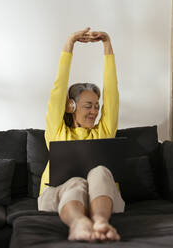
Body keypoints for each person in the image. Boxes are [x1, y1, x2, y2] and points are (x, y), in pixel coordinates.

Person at [37, 27, 124, 242]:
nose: (94, 111)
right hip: (59, 194)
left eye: (96, 106)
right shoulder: (57, 131)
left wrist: (107, 46)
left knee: (101, 172)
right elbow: (58, 91)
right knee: (75, 182)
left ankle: (101, 222)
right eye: (88, 106)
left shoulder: (102, 132)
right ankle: (79, 223)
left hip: (100, 196)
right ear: (71, 106)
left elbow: (112, 97)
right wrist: (70, 44)